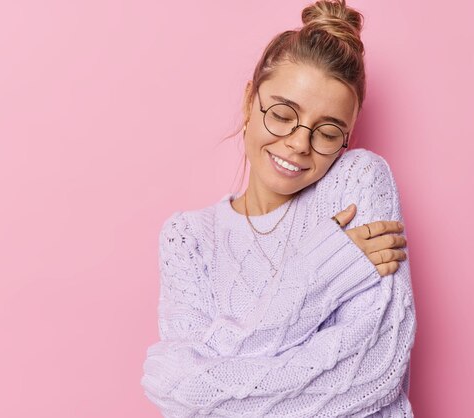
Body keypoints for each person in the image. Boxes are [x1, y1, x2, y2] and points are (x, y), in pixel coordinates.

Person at [141, 0, 417, 416]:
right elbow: (184, 399)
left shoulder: (357, 181)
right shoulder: (188, 239)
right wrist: (323, 270)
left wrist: (206, 380)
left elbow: (376, 370)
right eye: (283, 114)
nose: (299, 144)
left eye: (327, 132)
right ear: (250, 100)